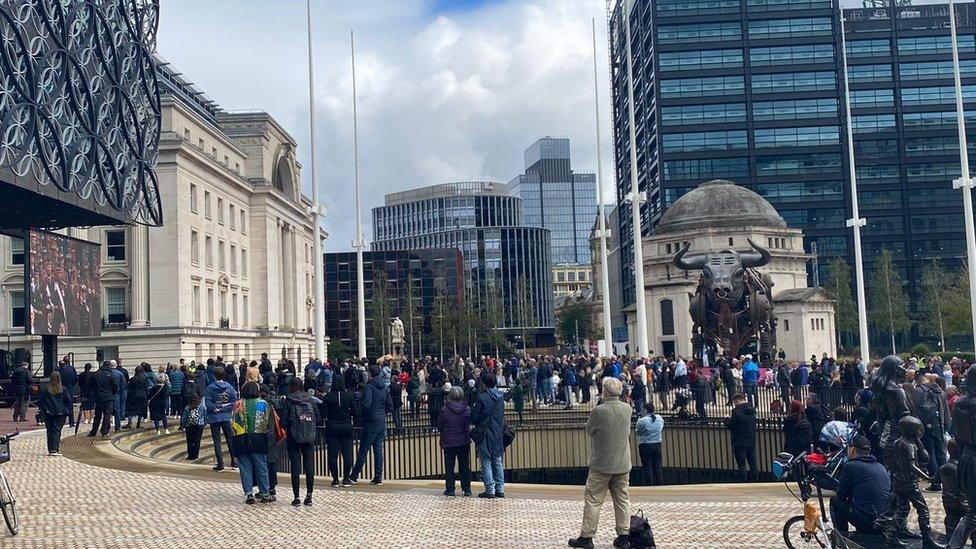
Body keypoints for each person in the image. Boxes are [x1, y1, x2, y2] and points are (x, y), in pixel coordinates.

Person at [568, 377, 632, 549]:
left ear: (604, 391)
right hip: (622, 463)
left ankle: (587, 537)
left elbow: (589, 430)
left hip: (601, 465)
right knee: (622, 500)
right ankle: (624, 536)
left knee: (593, 500)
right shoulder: (627, 409)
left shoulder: (599, 411)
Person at [874, 416, 944, 548]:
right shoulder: (909, 445)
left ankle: (891, 535)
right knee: (923, 509)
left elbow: (925, 458)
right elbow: (912, 466)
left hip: (898, 482)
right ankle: (927, 540)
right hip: (909, 484)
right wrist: (927, 478)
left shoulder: (897, 443)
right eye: (917, 430)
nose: (919, 433)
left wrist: (918, 442)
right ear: (911, 431)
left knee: (902, 510)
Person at [830, 435, 890, 535]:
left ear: (852, 449)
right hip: (883, 520)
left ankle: (842, 537)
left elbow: (841, 494)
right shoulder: (880, 466)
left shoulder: (851, 466)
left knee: (835, 500)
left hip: (868, 522)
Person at [230, 381, 272, 504]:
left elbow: (232, 423)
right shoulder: (262, 403)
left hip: (241, 438)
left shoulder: (238, 404)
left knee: (245, 467)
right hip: (258, 438)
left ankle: (249, 494)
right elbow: (267, 421)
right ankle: (265, 493)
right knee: (261, 467)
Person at [350, 364, 393, 485]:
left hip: (370, 421)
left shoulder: (369, 387)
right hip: (381, 420)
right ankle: (378, 477)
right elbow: (390, 405)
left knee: (363, 450)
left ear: (370, 374)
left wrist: (364, 415)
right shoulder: (384, 387)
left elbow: (366, 404)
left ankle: (354, 475)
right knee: (378, 450)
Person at [282, 378, 319, 506]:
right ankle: (309, 495)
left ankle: (296, 496)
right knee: (309, 465)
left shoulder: (289, 400)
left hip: (293, 437)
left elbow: (284, 422)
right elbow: (318, 417)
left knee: (295, 466)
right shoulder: (310, 399)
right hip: (309, 436)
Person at [471, 371, 506, 498]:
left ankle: (490, 489)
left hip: (485, 432)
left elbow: (474, 417)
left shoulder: (481, 398)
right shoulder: (500, 396)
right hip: (497, 431)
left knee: (485, 460)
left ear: (483, 384)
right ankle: (500, 488)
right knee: (497, 460)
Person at [437, 386, 472, 497]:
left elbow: (439, 425)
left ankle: (450, 489)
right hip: (463, 440)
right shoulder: (467, 409)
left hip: (449, 441)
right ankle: (467, 489)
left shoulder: (444, 409)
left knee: (449, 466)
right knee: (465, 465)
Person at [323, 375, 355, 487]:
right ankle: (346, 479)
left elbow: (324, 414)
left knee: (332, 455)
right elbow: (355, 411)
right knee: (347, 454)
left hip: (332, 426)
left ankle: (335, 479)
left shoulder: (327, 397)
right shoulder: (349, 396)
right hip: (346, 425)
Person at [206, 367, 239, 472]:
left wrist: (216, 408)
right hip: (226, 416)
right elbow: (234, 401)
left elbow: (208, 403)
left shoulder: (210, 388)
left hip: (214, 417)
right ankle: (234, 461)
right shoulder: (229, 387)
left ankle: (220, 464)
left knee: (217, 441)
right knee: (230, 439)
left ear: (214, 375)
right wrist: (224, 408)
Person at [37, 371, 72, 455]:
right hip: (60, 412)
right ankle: (55, 448)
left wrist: (45, 409)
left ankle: (51, 449)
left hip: (48, 412)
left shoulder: (45, 389)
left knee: (49, 430)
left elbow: (40, 401)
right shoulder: (63, 389)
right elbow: (68, 400)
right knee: (57, 431)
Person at [725, 393, 757, 482]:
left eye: (734, 402)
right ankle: (755, 481)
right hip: (751, 439)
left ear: (737, 401)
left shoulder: (737, 412)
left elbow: (731, 425)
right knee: (753, 463)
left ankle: (744, 481)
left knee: (741, 465)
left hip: (739, 441)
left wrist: (726, 421)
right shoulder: (752, 410)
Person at [635, 402, 664, 486]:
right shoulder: (659, 418)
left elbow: (638, 432)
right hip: (657, 444)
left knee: (647, 467)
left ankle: (649, 485)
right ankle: (660, 484)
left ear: (645, 410)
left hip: (646, 445)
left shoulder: (642, 421)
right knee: (657, 467)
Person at [88, 361, 118, 438]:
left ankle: (93, 431)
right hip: (109, 397)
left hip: (99, 397)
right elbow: (115, 386)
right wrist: (112, 393)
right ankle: (104, 431)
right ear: (109, 366)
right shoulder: (110, 375)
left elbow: (91, 385)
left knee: (97, 415)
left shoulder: (96, 374)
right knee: (107, 415)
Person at [181, 393, 206, 460]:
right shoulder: (202, 407)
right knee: (197, 441)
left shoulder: (188, 407)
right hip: (200, 425)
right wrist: (204, 423)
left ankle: (190, 455)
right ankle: (195, 456)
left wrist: (183, 425)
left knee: (190, 441)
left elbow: (184, 418)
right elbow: (205, 416)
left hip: (189, 425)